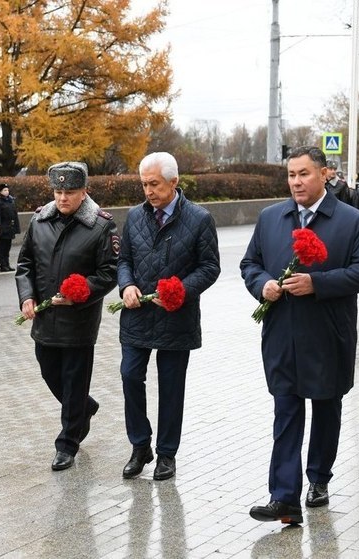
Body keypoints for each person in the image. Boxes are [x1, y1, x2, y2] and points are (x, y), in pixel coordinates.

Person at [240, 146, 359, 525]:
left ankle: (319, 477)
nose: (296, 182)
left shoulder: (350, 220)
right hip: (282, 333)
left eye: (303, 174)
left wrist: (316, 283)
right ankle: (283, 497)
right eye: (291, 175)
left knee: (326, 407)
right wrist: (263, 283)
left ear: (324, 174)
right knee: (285, 409)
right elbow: (249, 263)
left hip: (328, 334)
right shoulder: (271, 218)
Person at [117, 152, 220, 481]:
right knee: (131, 376)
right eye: (144, 184)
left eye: (154, 184)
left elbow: (210, 267)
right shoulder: (134, 217)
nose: (148, 190)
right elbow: (123, 261)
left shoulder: (200, 219)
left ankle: (166, 454)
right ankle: (139, 445)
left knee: (171, 387)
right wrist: (126, 286)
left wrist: (181, 290)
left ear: (174, 182)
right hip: (137, 314)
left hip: (177, 316)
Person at [16, 161, 118, 471]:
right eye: (58, 191)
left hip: (79, 320)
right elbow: (25, 265)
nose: (62, 198)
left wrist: (82, 289)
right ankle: (84, 408)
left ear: (85, 191)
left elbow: (109, 272)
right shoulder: (39, 221)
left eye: (70, 192)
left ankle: (67, 443)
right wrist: (27, 296)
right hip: (46, 320)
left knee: (74, 381)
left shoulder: (101, 225)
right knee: (50, 372)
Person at [0, 183, 21, 271]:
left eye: (7, 190)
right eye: (4, 190)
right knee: (2, 247)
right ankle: (3, 265)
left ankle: (7, 264)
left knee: (7, 247)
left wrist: (16, 227)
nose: (7, 192)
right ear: (0, 192)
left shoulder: (10, 200)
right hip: (3, 226)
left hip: (10, 226)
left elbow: (14, 214)